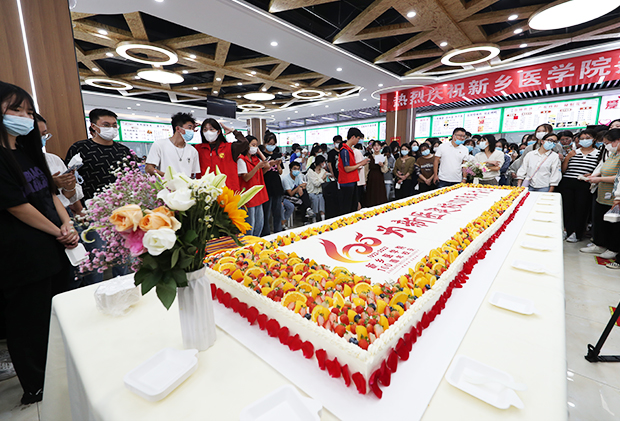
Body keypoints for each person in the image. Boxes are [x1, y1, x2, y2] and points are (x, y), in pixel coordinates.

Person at [0, 82, 78, 404]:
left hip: (53, 248)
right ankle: (37, 386)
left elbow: (49, 194)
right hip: (24, 256)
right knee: (29, 323)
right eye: (15, 109)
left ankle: (63, 373)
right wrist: (58, 230)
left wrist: (67, 223)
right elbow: (17, 206)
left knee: (59, 314)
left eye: (29, 112)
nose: (24, 117)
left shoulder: (28, 152)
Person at [65, 108, 132, 203]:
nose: (111, 128)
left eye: (114, 125)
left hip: (123, 202)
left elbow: (133, 176)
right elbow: (70, 179)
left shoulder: (123, 150)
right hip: (91, 203)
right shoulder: (80, 148)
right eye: (106, 125)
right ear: (93, 126)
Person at [580, 129, 620, 260]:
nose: (606, 146)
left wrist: (599, 179)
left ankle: (613, 248)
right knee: (600, 220)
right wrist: (594, 177)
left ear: (618, 140)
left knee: (613, 223)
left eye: (608, 143)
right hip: (602, 193)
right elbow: (603, 168)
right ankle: (599, 244)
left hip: (615, 195)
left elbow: (618, 177)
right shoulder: (612, 154)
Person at [36, 114, 84, 215]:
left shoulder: (53, 159)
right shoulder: (14, 161)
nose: (41, 139)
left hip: (63, 212)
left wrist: (69, 185)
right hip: (39, 214)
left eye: (44, 135)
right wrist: (50, 184)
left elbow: (67, 197)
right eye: (36, 135)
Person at [560, 130, 600, 243]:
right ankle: (566, 230)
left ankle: (577, 233)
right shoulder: (573, 152)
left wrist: (592, 174)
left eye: (587, 138)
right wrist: (567, 158)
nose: (584, 140)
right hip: (568, 182)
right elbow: (563, 170)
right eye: (582, 138)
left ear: (594, 139)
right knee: (567, 208)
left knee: (581, 208)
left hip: (585, 183)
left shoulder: (598, 153)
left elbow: (600, 169)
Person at [195, 118, 248, 192]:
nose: (208, 132)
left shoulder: (229, 147)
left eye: (211, 129)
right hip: (205, 191)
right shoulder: (198, 148)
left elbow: (244, 143)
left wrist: (233, 131)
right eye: (205, 130)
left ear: (218, 131)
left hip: (227, 190)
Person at [146, 112, 200, 178]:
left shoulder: (193, 151)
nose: (192, 131)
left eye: (192, 128)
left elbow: (192, 174)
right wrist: (168, 176)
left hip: (186, 184)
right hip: (166, 183)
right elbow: (148, 168)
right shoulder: (160, 145)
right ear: (178, 128)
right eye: (189, 128)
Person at [237, 136, 269, 236]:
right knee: (250, 226)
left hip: (258, 195)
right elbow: (246, 177)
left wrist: (259, 152)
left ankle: (256, 242)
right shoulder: (241, 159)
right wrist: (257, 167)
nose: (255, 147)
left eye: (256, 145)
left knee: (259, 225)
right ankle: (248, 244)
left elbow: (267, 166)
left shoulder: (255, 158)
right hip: (248, 196)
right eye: (253, 145)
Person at [338, 128, 368, 215]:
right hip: (347, 182)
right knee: (347, 208)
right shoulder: (344, 151)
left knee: (353, 207)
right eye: (358, 138)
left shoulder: (349, 150)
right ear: (353, 137)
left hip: (352, 180)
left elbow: (351, 166)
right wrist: (361, 163)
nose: (358, 141)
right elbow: (347, 168)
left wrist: (361, 163)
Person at [259, 131, 285, 235]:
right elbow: (260, 173)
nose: (272, 146)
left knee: (277, 212)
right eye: (269, 144)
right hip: (266, 186)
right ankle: (266, 233)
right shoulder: (261, 155)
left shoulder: (277, 154)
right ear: (265, 143)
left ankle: (278, 231)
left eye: (273, 144)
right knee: (266, 212)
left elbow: (280, 172)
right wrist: (269, 165)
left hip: (277, 186)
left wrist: (278, 165)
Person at [365, 141, 388, 207]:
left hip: (379, 176)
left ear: (381, 147)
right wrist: (365, 179)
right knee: (371, 192)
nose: (376, 147)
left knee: (379, 192)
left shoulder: (384, 157)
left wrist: (382, 165)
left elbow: (385, 170)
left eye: (378, 145)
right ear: (372, 147)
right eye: (375, 145)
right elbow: (366, 170)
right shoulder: (369, 157)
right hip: (371, 176)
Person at [306, 155, 328, 221]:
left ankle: (323, 218)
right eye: (323, 162)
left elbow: (325, 181)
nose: (324, 164)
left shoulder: (323, 171)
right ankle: (314, 219)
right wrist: (323, 178)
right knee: (315, 199)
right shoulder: (310, 171)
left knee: (321, 198)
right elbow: (316, 184)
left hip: (320, 192)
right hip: (312, 192)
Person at [353, 143, 367, 209]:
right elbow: (359, 166)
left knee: (359, 199)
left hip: (359, 180)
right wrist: (361, 164)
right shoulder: (356, 152)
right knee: (358, 200)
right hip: (358, 180)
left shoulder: (356, 152)